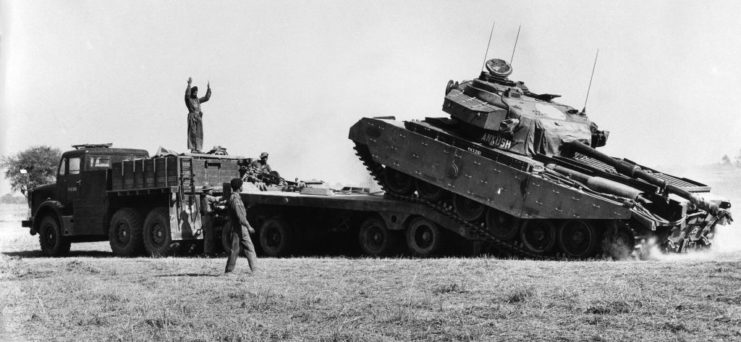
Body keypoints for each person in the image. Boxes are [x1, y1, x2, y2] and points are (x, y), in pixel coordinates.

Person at [225, 178, 258, 274]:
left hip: (238, 227)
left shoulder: (235, 198)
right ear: (239, 187)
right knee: (239, 249)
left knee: (242, 248)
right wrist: (249, 226)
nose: (242, 187)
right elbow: (240, 216)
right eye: (242, 185)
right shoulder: (235, 199)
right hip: (239, 227)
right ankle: (229, 271)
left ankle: (254, 269)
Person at [185, 77, 212, 153]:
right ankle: (193, 148)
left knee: (199, 133)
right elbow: (187, 94)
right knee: (192, 132)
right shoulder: (188, 100)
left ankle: (198, 148)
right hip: (192, 116)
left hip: (198, 117)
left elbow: (206, 98)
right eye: (194, 92)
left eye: (196, 92)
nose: (196, 93)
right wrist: (189, 84)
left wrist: (208, 89)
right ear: (192, 92)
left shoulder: (198, 100)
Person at [199, 184, 221, 256]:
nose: (212, 191)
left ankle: (208, 252)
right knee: (209, 236)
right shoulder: (207, 197)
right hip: (208, 217)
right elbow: (216, 199)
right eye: (210, 189)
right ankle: (208, 252)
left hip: (205, 217)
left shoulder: (204, 197)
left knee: (208, 235)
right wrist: (226, 196)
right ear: (207, 191)